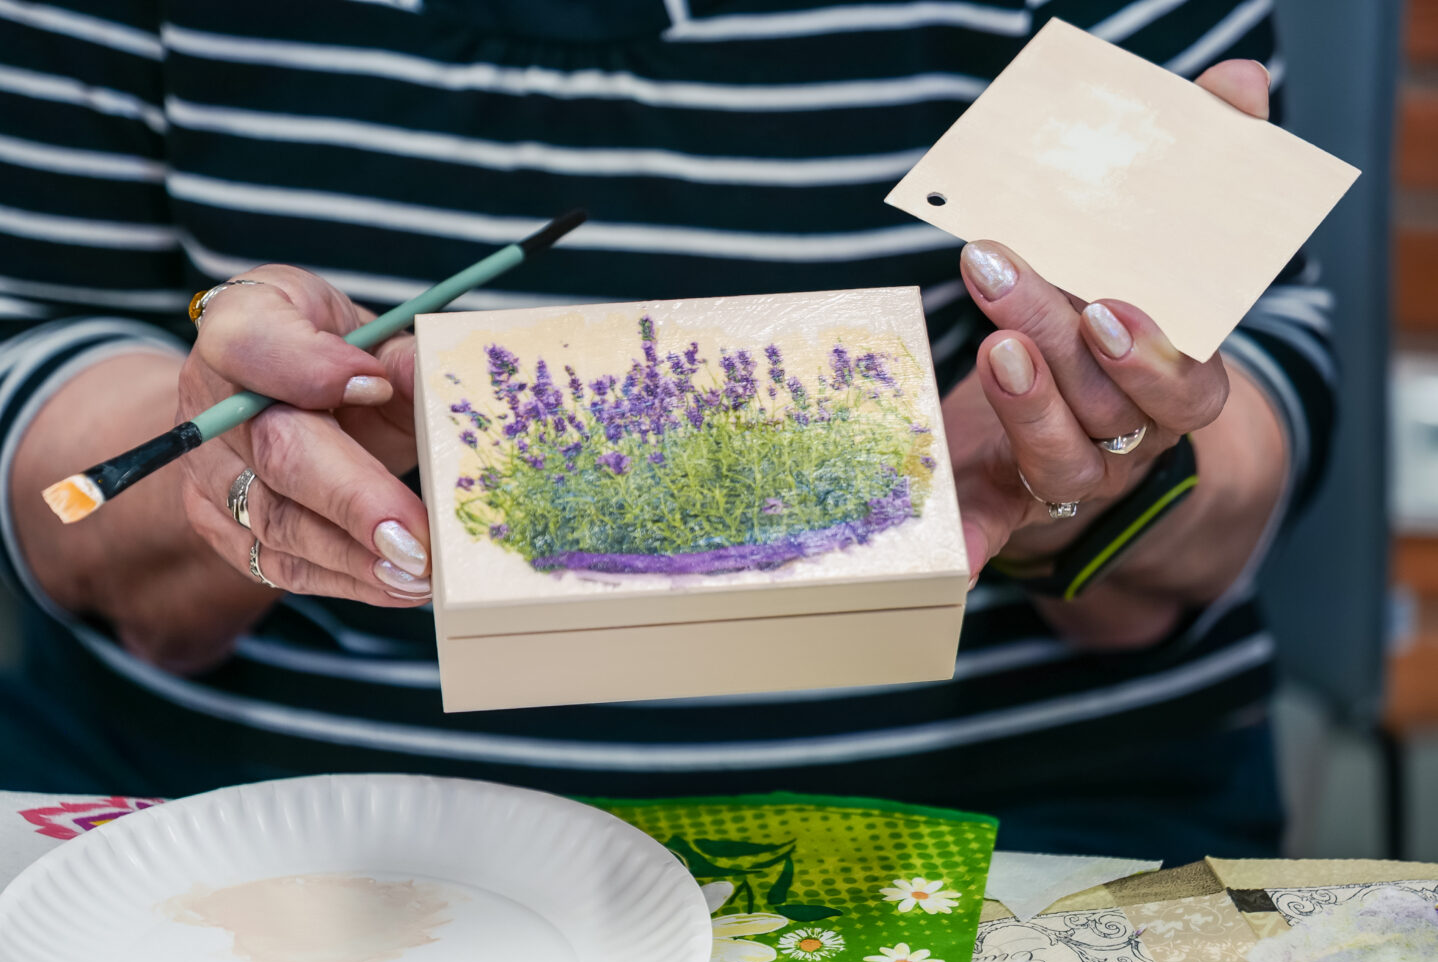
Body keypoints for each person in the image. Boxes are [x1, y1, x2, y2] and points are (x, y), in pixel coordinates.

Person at [0, 0, 1331, 863]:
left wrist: (1089, 475)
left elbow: (1246, 423)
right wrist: (224, 470)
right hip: (248, 820)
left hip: (991, 818)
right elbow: (53, 406)